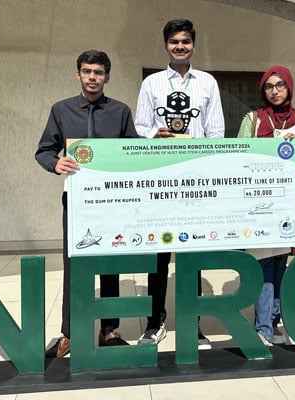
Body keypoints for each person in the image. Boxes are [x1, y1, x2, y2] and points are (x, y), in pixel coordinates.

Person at [35, 50, 141, 358]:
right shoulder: (61, 110)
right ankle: (70, 333)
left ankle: (109, 330)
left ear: (107, 76)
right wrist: (56, 164)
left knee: (110, 263)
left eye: (98, 72)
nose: (92, 76)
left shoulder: (120, 112)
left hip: (111, 201)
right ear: (78, 75)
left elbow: (132, 151)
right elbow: (43, 151)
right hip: (77, 201)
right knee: (74, 263)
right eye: (86, 71)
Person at [134, 19, 224, 349]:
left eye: (185, 41)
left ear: (194, 46)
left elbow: (216, 132)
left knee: (191, 254)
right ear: (165, 46)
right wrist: (153, 134)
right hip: (161, 177)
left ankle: (192, 321)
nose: (180, 46)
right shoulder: (152, 84)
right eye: (174, 42)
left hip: (195, 179)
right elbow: (140, 127)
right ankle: (154, 322)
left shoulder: (207, 83)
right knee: (158, 254)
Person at [237, 65, 295, 346]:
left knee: (282, 262)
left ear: (289, 87)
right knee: (262, 263)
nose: (274, 91)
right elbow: (239, 157)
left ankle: (275, 321)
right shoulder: (253, 119)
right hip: (258, 202)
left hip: (288, 202)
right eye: (269, 86)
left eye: (280, 85)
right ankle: (263, 327)